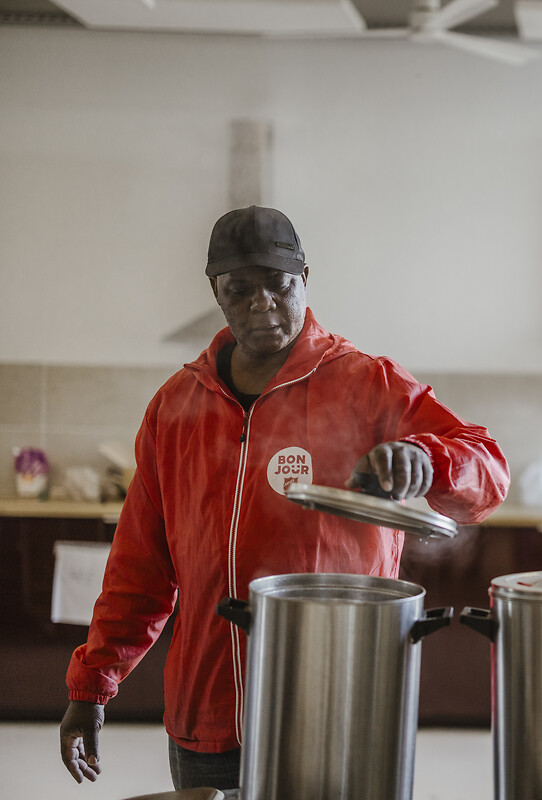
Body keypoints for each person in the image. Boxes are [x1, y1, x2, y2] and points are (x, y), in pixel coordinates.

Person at [58, 206, 510, 790]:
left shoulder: (367, 383)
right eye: (240, 289)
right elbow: (138, 572)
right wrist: (91, 687)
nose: (262, 303)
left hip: (340, 710)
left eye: (279, 285)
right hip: (207, 718)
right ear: (216, 292)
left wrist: (425, 459)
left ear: (304, 280)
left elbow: (487, 471)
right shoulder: (175, 409)